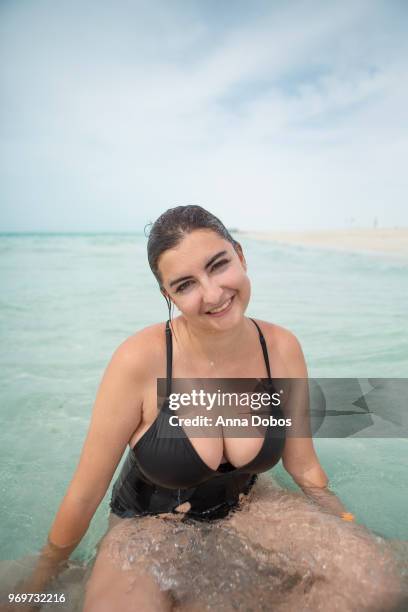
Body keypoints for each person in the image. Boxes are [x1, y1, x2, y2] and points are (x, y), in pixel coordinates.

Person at [7, 206, 403, 612]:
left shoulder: (280, 349)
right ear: (168, 295)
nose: (212, 294)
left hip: (251, 507)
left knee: (377, 583)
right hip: (149, 529)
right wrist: (43, 576)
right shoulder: (139, 361)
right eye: (185, 285)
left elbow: (305, 469)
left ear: (241, 256)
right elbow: (85, 493)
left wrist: (355, 530)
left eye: (219, 265)